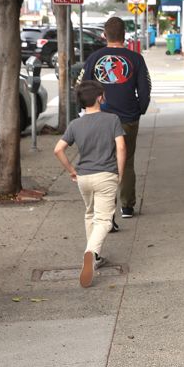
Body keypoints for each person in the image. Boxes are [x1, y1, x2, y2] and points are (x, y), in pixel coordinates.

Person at [53, 81, 126, 288]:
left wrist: (71, 170)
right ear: (99, 98)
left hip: (83, 177)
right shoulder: (112, 120)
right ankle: (91, 253)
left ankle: (95, 257)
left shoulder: (75, 124)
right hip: (106, 175)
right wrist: (119, 172)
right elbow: (121, 147)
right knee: (104, 220)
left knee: (90, 214)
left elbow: (58, 149)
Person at [82, 16, 151, 219]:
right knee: (127, 161)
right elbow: (145, 89)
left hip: (100, 118)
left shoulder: (94, 58)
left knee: (104, 163)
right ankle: (127, 206)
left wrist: (89, 112)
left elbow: (84, 88)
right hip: (128, 118)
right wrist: (139, 109)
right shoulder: (136, 59)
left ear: (105, 35)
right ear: (124, 35)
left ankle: (106, 212)